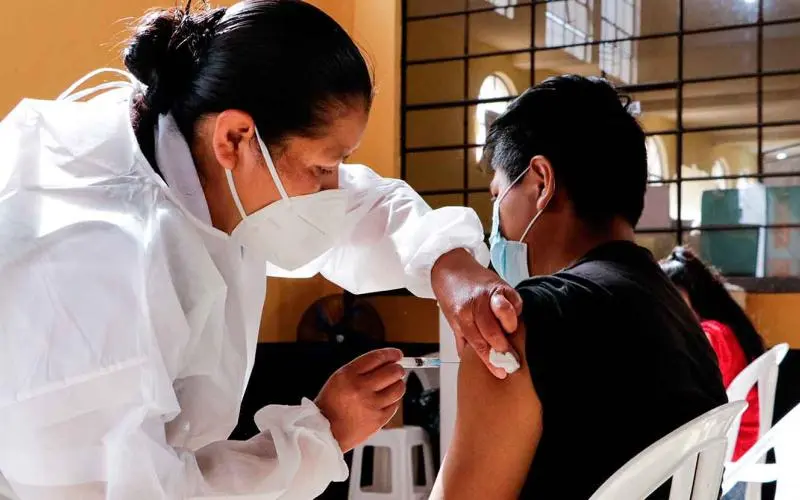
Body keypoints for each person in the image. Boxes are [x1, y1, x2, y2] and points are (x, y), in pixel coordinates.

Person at [0, 1, 523, 498]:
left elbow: (366, 205)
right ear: (234, 137)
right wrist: (319, 435)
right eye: (322, 167)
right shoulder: (93, 267)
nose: (334, 186)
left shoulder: (192, 158)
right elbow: (123, 491)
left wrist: (449, 265)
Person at [431, 75, 728, 500]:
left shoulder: (511, 327)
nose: (495, 221)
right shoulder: (683, 324)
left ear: (540, 182)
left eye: (498, 196)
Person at [661, 246, 766, 500]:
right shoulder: (725, 330)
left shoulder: (708, 336)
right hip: (741, 459)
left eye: (670, 298)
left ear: (695, 297)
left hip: (725, 468)